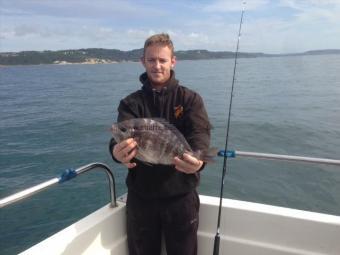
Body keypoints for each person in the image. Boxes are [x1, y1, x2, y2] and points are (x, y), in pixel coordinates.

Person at [109, 33, 211, 255]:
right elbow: (119, 135)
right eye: (151, 60)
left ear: (173, 61)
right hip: (141, 200)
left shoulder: (190, 100)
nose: (157, 65)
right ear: (143, 61)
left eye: (162, 60)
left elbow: (200, 135)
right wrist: (116, 153)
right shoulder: (130, 103)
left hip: (181, 199)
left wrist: (199, 161)